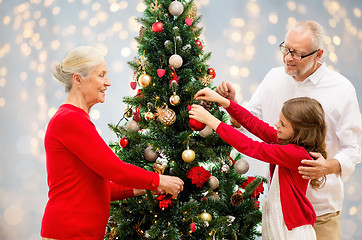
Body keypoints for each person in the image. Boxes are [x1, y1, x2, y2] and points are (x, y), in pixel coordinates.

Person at [216, 20, 362, 240]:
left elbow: (354, 148)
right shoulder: (274, 77)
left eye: (297, 54)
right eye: (286, 49)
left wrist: (327, 167)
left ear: (318, 54)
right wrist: (232, 105)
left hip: (321, 210)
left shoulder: (341, 89)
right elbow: (252, 122)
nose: (287, 58)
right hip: (280, 211)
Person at [40, 46, 184, 240]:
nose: (107, 82)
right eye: (101, 75)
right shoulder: (70, 119)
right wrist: (160, 180)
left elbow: (94, 188)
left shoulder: (73, 118)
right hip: (69, 233)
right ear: (78, 79)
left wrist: (145, 187)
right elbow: (115, 169)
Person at [190, 88, 327, 239]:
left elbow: (250, 146)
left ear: (300, 132)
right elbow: (255, 125)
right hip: (278, 224)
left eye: (283, 124)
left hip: (291, 231)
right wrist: (224, 101)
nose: (276, 125)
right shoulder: (287, 143)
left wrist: (211, 120)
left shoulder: (296, 154)